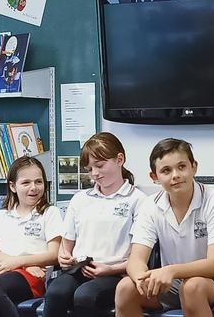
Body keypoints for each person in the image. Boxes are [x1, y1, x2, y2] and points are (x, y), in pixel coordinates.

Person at [114, 138, 214, 317]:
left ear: (194, 167)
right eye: (166, 170)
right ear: (154, 177)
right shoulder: (150, 205)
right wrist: (140, 278)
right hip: (175, 281)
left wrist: (170, 270)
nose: (175, 175)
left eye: (181, 167)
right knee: (125, 288)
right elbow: (136, 259)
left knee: (192, 287)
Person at [43, 132, 147, 317]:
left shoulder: (138, 200)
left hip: (115, 273)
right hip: (79, 270)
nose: (95, 174)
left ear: (119, 159)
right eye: (90, 169)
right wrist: (64, 256)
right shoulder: (80, 199)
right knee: (55, 292)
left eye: (99, 166)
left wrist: (111, 269)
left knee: (85, 296)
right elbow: (65, 247)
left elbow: (140, 257)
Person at [0, 156, 63, 317]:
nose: (34, 188)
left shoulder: (50, 213)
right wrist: (20, 263)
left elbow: (54, 255)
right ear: (13, 186)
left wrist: (19, 263)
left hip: (31, 276)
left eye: (39, 181)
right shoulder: (0, 215)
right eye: (26, 183)